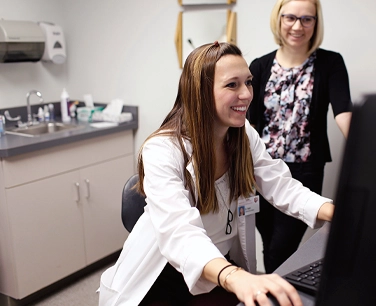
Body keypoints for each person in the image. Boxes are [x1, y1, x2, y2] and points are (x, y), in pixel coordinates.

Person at [98, 41, 334, 306]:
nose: (246, 94)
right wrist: (234, 276)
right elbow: (181, 233)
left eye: (248, 82)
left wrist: (334, 211)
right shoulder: (163, 150)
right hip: (162, 276)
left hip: (217, 269)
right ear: (199, 92)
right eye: (232, 85)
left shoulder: (243, 136)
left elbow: (281, 185)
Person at [247, 0, 353, 273]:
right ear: (278, 19)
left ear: (316, 23)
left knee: (281, 249)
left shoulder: (330, 63)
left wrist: (367, 148)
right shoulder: (259, 67)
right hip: (260, 171)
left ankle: (273, 290)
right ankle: (274, 289)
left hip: (304, 173)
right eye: (290, 17)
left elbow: (343, 113)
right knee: (268, 242)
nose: (298, 26)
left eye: (307, 19)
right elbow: (245, 122)